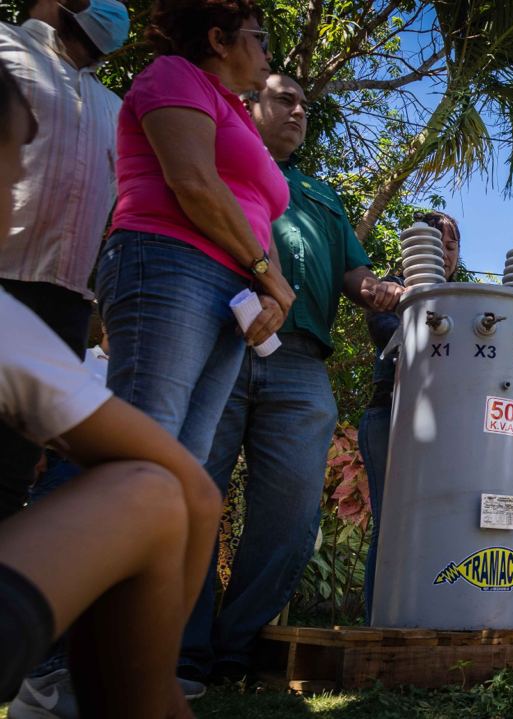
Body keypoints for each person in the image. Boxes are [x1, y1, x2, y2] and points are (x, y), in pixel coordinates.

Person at [0, 60, 221, 719]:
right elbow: (199, 494)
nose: (17, 189)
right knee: (154, 491)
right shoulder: (10, 326)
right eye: (13, 163)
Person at [178, 73, 402, 685]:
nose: (300, 111)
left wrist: (380, 290)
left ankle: (238, 653)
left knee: (292, 515)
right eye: (286, 99)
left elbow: (354, 275)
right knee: (192, 498)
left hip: (301, 362)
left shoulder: (323, 196)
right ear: (247, 106)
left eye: (306, 105)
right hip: (217, 342)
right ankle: (185, 655)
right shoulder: (219, 164)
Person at [0, 0, 129, 519]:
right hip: (5, 278)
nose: (117, 11)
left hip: (66, 304)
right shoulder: (4, 46)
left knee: (12, 468)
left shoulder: (116, 108)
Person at [359, 210, 460, 621]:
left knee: (444, 521)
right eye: (437, 245)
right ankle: (379, 621)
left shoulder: (464, 303)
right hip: (392, 417)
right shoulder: (392, 293)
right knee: (393, 525)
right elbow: (390, 334)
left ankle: (435, 616)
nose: (446, 254)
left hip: (449, 426)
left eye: (452, 246)